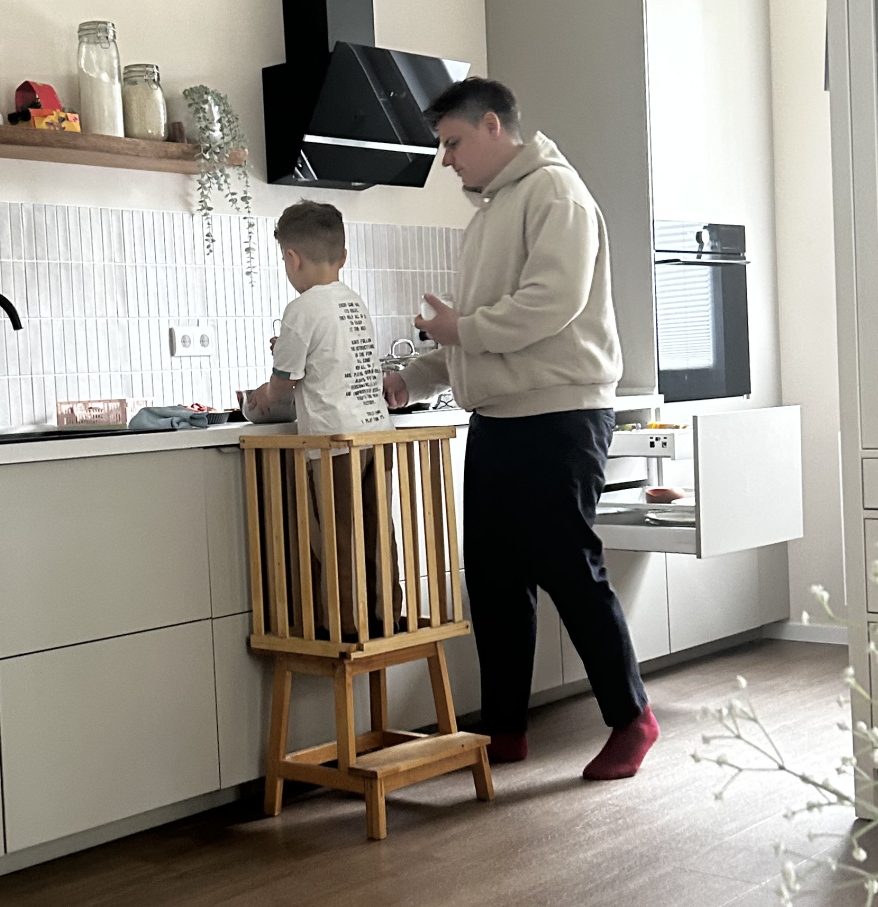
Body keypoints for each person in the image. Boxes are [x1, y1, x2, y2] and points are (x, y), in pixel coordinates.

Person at [384, 78, 658, 779]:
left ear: (493, 126)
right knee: (495, 580)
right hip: (502, 417)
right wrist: (414, 378)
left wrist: (459, 330)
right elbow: (475, 333)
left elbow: (551, 304)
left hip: (558, 413)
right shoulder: (491, 213)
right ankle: (504, 728)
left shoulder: (556, 194)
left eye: (452, 142)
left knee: (570, 571)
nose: (446, 159)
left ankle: (633, 718)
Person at [243, 199, 390, 635]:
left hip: (334, 442)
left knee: (337, 535)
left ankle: (342, 623)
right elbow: (330, 356)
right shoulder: (354, 302)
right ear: (343, 256)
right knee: (377, 533)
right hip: (377, 435)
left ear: (292, 258)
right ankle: (384, 614)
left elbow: (283, 381)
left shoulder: (301, 308)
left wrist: (263, 395)